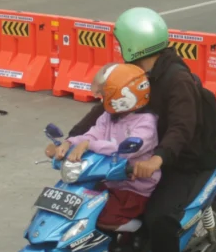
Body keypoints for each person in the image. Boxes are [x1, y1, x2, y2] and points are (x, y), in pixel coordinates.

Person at [68, 7, 216, 252]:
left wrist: (158, 159)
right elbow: (108, 109)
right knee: (91, 199)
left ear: (131, 44)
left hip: (181, 161)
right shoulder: (136, 75)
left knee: (159, 217)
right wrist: (70, 141)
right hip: (136, 159)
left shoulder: (176, 80)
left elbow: (182, 128)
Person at [46, 64, 161, 229]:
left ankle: (139, 235)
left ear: (125, 96)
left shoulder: (146, 123)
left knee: (104, 219)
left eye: (107, 94)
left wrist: (89, 145)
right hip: (108, 181)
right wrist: (70, 143)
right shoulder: (109, 116)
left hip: (134, 187)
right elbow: (93, 134)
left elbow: (126, 149)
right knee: (78, 209)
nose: (102, 97)